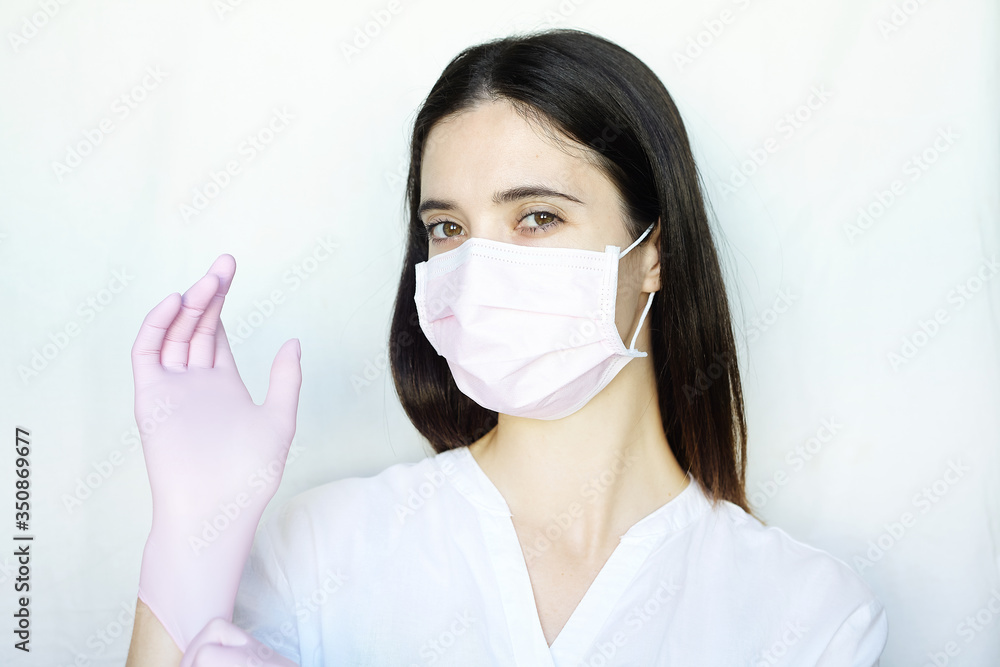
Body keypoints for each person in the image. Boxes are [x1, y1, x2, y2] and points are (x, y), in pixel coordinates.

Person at [126, 28, 888, 667]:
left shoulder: (809, 614)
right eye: (448, 228)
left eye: (536, 217)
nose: (477, 270)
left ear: (655, 250)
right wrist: (191, 539)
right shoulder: (325, 548)